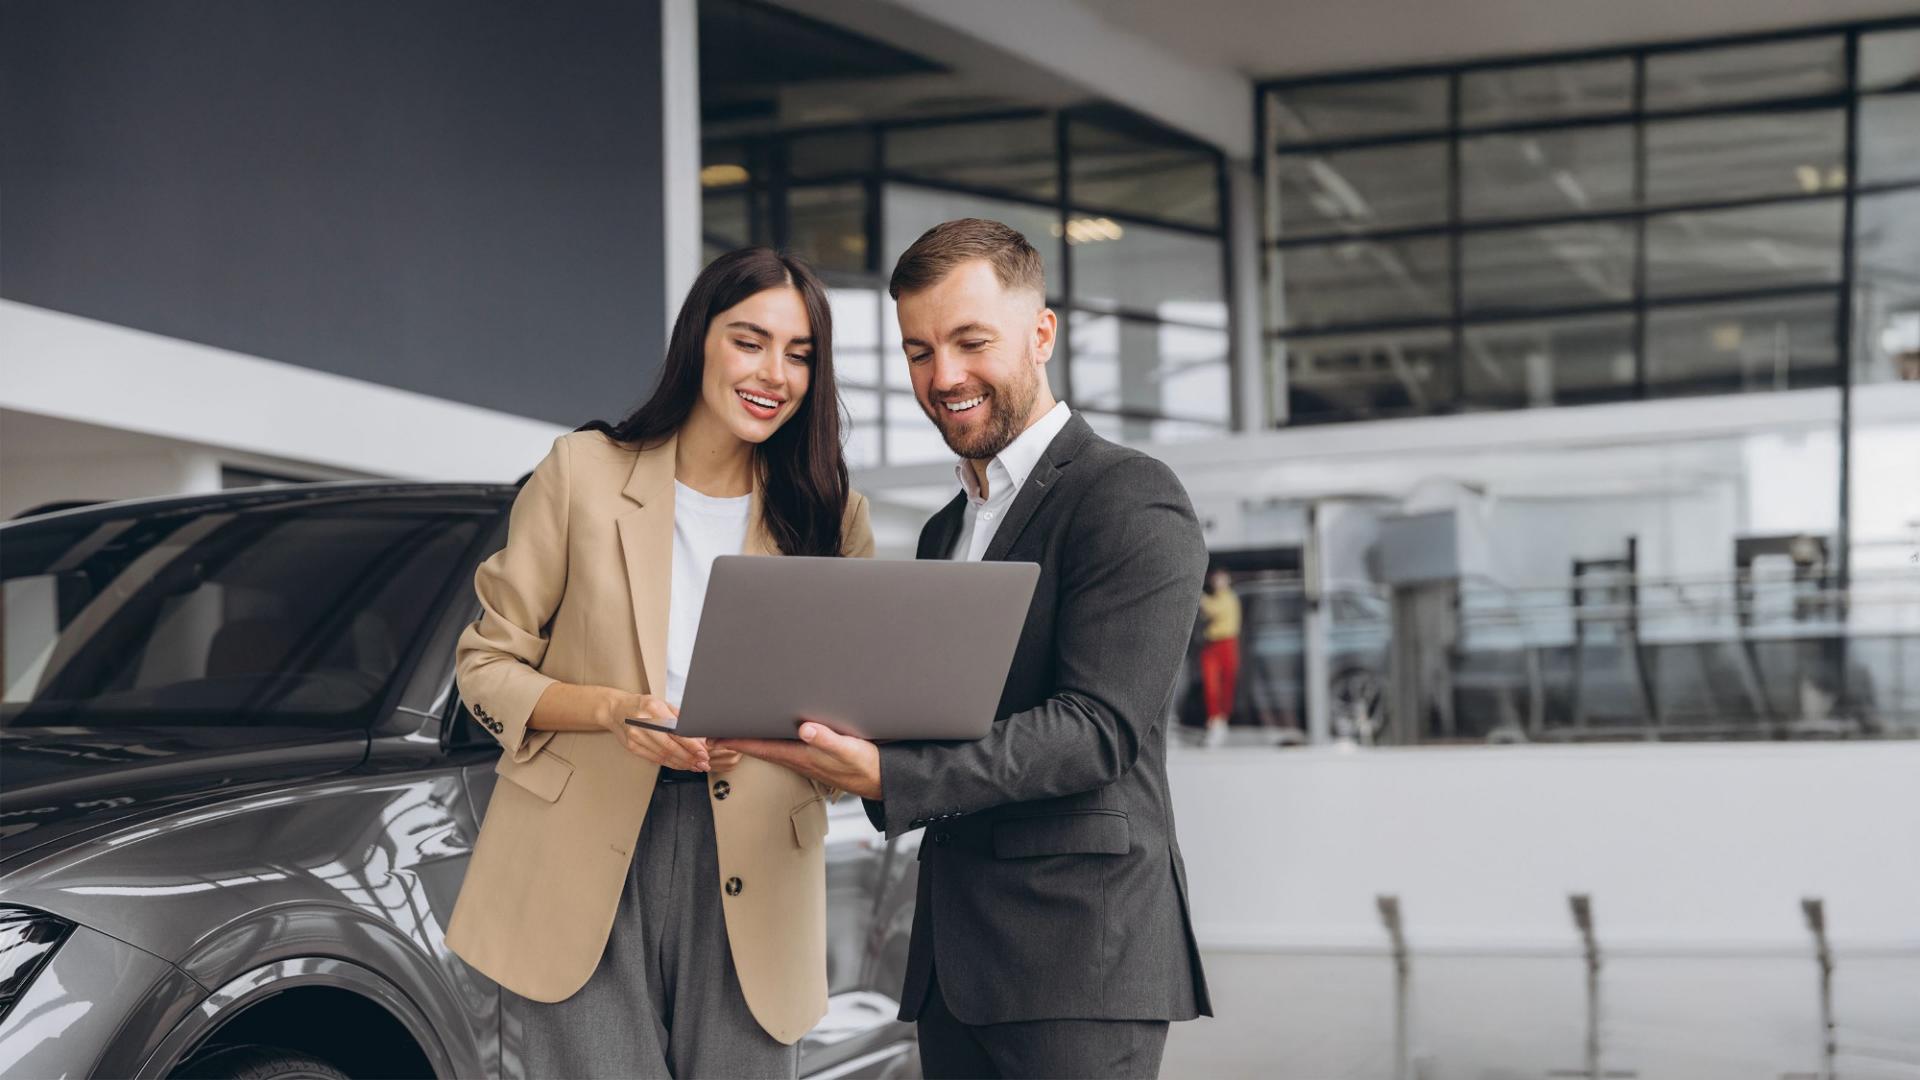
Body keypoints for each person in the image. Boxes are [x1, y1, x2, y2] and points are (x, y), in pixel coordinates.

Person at [723, 219, 1211, 1079]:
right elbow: (940, 714)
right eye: (917, 351)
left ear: (1042, 333)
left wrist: (891, 775)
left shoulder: (1129, 498)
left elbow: (1097, 728)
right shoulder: (951, 525)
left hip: (1078, 963)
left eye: (969, 341)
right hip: (958, 964)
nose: (943, 377)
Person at [445, 247, 873, 1079]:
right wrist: (612, 712)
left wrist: (796, 747)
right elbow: (485, 667)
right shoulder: (583, 473)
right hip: (584, 857)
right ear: (699, 339)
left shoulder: (830, 517)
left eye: (799, 355)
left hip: (756, 859)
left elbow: (853, 715)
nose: (773, 373)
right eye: (750, 341)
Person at [1199, 567, 1243, 747]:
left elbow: (1213, 610)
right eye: (1215, 579)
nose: (1218, 583)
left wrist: (1199, 597)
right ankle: (1215, 720)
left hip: (1226, 643)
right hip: (1212, 644)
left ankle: (1220, 720)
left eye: (1221, 579)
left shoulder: (1229, 598)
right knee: (1211, 684)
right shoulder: (1216, 598)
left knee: (1226, 683)